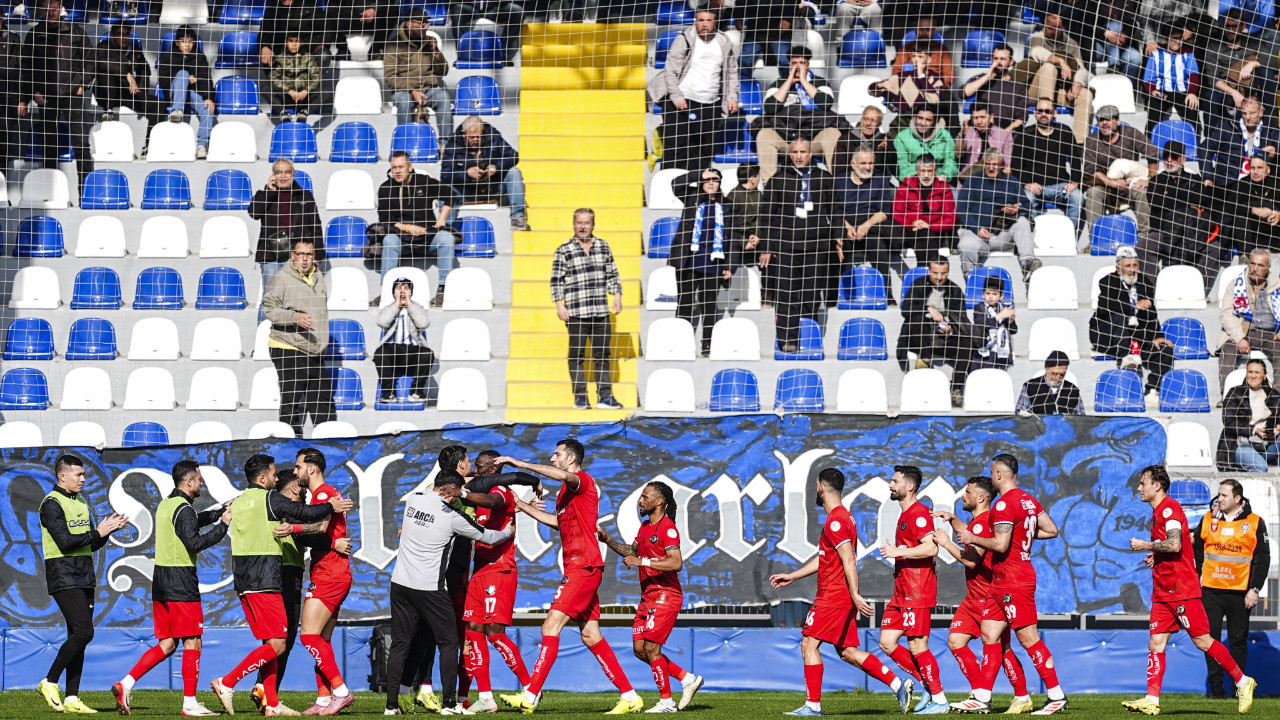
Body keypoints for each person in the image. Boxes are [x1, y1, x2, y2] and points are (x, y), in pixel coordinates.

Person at [496, 439, 643, 714]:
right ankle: (630, 695)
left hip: (583, 567)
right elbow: (558, 522)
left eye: (557, 454)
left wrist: (519, 464)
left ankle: (529, 696)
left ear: (572, 459)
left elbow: (563, 475)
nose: (553, 458)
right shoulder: (565, 493)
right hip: (582, 567)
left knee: (550, 627)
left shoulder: (582, 480)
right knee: (590, 634)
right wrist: (521, 505)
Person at [209, 455, 350, 717]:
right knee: (282, 642)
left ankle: (271, 700)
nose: (276, 479)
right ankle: (230, 683)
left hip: (248, 578)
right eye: (276, 474)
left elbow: (214, 516)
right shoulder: (275, 503)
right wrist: (331, 513)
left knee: (277, 641)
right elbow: (309, 520)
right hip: (272, 578)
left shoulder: (241, 502)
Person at [768, 467, 914, 716]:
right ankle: (899, 684)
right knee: (846, 652)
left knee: (808, 645)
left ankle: (812, 706)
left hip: (833, 595)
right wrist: (792, 576)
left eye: (816, 486)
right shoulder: (842, 517)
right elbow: (828, 558)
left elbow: (848, 559)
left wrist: (855, 593)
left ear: (820, 487)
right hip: (839, 595)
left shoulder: (836, 520)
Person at [1122, 466, 1257, 715]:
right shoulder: (1157, 512)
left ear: (1157, 486)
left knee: (1203, 642)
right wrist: (1155, 554)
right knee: (1156, 643)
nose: (1139, 488)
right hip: (1163, 591)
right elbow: (1175, 544)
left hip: (1182, 589)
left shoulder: (1170, 508)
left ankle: (1242, 681)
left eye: (1143, 483)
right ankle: (1152, 699)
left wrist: (1146, 545)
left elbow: (1174, 544)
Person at [384, 470, 512, 715]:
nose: (456, 498)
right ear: (448, 490)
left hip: (399, 584)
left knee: (400, 644)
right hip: (430, 588)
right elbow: (488, 537)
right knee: (449, 643)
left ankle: (391, 706)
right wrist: (509, 532)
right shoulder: (453, 516)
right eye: (455, 494)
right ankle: (449, 704)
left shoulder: (413, 498)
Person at [951, 454, 1068, 715]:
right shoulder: (1029, 500)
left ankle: (1056, 695)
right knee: (990, 636)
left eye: (992, 472)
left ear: (1000, 474)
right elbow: (1051, 530)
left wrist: (973, 537)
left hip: (1014, 579)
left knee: (1028, 639)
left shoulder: (1004, 505)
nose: (991, 476)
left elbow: (1001, 545)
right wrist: (1020, 532)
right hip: (1002, 580)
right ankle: (982, 697)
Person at [113, 461, 230, 717]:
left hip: (161, 581)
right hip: (181, 582)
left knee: (167, 644)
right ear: (189, 482)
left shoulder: (168, 504)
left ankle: (126, 683)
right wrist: (223, 525)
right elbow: (194, 542)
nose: (201, 483)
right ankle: (189, 703)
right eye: (199, 479)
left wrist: (219, 512)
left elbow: (192, 521)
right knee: (193, 642)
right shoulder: (183, 509)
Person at [597, 482, 706, 713]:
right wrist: (608, 541)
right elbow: (632, 552)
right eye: (641, 497)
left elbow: (676, 563)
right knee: (640, 650)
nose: (640, 501)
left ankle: (666, 702)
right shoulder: (645, 527)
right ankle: (687, 679)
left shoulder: (668, 529)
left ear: (659, 501)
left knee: (652, 648)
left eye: (645, 497)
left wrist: (643, 562)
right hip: (647, 597)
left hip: (666, 596)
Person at [36, 454, 129, 713]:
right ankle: (49, 681)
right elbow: (65, 542)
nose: (83, 479)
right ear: (62, 476)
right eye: (78, 475)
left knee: (78, 636)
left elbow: (92, 542)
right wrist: (97, 532)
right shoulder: (51, 504)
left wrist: (107, 531)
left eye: (84, 474)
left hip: (84, 574)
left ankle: (72, 698)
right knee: (84, 632)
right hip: (63, 574)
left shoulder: (81, 503)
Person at [931, 476, 1032, 714]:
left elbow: (971, 560)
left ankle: (1014, 695)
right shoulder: (982, 521)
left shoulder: (982, 522)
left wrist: (946, 543)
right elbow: (973, 538)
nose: (963, 495)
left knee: (1002, 646)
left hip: (988, 596)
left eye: (967, 492)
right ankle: (981, 693)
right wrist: (955, 520)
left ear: (980, 497)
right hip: (974, 597)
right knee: (957, 642)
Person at [456, 452, 543, 715]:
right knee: (473, 631)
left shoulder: (500, 491)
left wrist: (463, 495)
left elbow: (492, 501)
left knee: (495, 632)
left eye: (482, 465)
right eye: (476, 464)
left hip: (500, 569)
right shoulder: (477, 486)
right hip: (479, 570)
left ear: (495, 467)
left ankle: (530, 690)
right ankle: (485, 697)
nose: (477, 469)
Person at [290, 449, 356, 716]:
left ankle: (341, 692)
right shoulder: (325, 494)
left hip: (329, 572)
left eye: (298, 467)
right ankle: (324, 698)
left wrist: (290, 527)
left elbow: (317, 529)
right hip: (331, 571)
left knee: (308, 636)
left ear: (312, 468)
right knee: (322, 641)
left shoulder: (323, 493)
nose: (295, 472)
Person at [877, 466, 948, 714]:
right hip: (902, 590)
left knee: (918, 645)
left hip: (917, 590)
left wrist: (899, 552)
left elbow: (931, 549)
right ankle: (929, 685)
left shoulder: (918, 514)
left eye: (894, 481)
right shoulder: (906, 514)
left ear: (909, 486)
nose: (890, 485)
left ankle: (940, 700)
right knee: (886, 642)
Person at [1195, 477, 1271, 697]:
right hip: (1210, 591)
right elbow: (1198, 553)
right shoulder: (1208, 519)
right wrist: (1197, 580)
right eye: (1219, 494)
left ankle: (1239, 687)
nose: (1219, 498)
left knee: (1238, 641)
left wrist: (1254, 589)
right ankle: (1216, 688)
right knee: (1211, 640)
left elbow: (1262, 559)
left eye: (1224, 495)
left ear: (1237, 499)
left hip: (1240, 593)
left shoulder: (1255, 522)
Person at [760, 137, 837, 352]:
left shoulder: (824, 177)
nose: (799, 156)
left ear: (810, 154)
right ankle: (788, 338)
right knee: (787, 293)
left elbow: (836, 210)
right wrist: (767, 245)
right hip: (787, 245)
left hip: (817, 245)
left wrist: (838, 236)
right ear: (790, 154)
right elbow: (767, 215)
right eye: (795, 152)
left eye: (803, 152)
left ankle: (809, 335)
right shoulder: (778, 179)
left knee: (811, 293)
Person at [249, 467, 310, 712]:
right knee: (284, 640)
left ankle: (264, 689)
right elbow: (306, 536)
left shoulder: (271, 506)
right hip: (286, 576)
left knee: (275, 640)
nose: (305, 494)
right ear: (295, 487)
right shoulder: (286, 508)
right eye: (302, 488)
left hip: (273, 576)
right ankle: (264, 690)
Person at [647, 6, 738, 170]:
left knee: (703, 151)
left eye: (709, 20)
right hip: (682, 101)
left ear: (715, 22)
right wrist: (676, 97)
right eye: (701, 20)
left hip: (710, 103)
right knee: (675, 149)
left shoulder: (723, 41)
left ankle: (696, 190)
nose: (704, 24)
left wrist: (732, 96)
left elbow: (732, 71)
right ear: (696, 21)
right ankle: (667, 189)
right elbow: (670, 70)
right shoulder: (684, 39)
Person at [19, 0, 96, 192]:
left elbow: (90, 60)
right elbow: (27, 67)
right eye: (46, 9)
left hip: (73, 97)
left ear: (60, 8)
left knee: (81, 146)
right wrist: (33, 92)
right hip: (47, 98)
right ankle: (49, 193)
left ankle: (85, 193)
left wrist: (82, 85)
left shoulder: (75, 32)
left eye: (54, 8)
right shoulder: (35, 34)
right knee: (49, 146)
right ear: (41, 11)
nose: (51, 12)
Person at [550, 209, 624, 410]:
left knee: (602, 354)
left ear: (593, 224)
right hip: (576, 312)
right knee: (577, 355)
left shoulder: (603, 246)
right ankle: (580, 396)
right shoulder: (564, 250)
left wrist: (617, 295)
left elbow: (613, 273)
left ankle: (605, 397)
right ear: (574, 224)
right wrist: (559, 304)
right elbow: (556, 280)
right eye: (579, 222)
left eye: (587, 222)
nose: (583, 226)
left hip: (600, 311)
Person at [263, 238, 335, 437]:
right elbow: (269, 310)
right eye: (300, 254)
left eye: (309, 255)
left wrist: (324, 340)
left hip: (313, 349)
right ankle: (289, 447)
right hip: (287, 346)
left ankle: (327, 445)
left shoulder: (318, 276)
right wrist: (294, 317)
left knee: (323, 400)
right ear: (292, 256)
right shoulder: (280, 278)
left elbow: (322, 312)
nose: (304, 259)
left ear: (314, 257)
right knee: (292, 400)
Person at [1089, 246, 1176, 402]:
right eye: (1128, 266)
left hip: (1137, 338)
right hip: (1111, 338)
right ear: (1118, 268)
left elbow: (1151, 312)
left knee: (1165, 350)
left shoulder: (1145, 282)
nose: (1132, 270)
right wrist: (1133, 306)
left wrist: (1157, 336)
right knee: (1119, 316)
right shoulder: (1108, 281)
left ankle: (1152, 390)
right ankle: (1125, 356)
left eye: (1135, 265)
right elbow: (1106, 307)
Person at [669, 168, 734, 356]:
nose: (711, 183)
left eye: (716, 180)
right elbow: (675, 184)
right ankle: (681, 343)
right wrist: (698, 174)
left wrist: (730, 265)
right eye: (708, 180)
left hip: (713, 264)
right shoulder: (692, 199)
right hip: (688, 262)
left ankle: (707, 344)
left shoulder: (728, 205)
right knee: (684, 303)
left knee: (709, 306)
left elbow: (733, 238)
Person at [250, 158, 324, 322]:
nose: (283, 175)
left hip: (297, 257)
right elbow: (254, 212)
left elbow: (316, 226)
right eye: (278, 172)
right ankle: (262, 343)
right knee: (269, 300)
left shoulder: (305, 195)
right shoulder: (265, 194)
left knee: (296, 301)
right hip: (270, 257)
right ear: (273, 175)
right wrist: (269, 191)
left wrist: (317, 255)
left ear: (293, 174)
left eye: (286, 172)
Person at [374, 151, 458, 297]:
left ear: (410, 167)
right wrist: (408, 228)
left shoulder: (423, 181)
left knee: (446, 238)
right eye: (394, 168)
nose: (397, 171)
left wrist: (441, 219)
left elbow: (450, 193)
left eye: (401, 167)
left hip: (427, 238)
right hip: (402, 240)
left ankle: (444, 289)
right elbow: (386, 220)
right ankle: (387, 291)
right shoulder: (385, 189)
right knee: (389, 240)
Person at [897, 257, 972, 407]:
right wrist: (928, 308)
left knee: (966, 342)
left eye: (943, 273)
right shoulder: (918, 285)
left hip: (944, 336)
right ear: (929, 271)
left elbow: (962, 317)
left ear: (948, 272)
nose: (939, 277)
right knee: (917, 319)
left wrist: (951, 328)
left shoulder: (955, 290)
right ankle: (925, 360)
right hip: (920, 337)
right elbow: (905, 310)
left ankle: (956, 388)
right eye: (935, 273)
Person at [1139, 141, 1216, 287]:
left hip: (1192, 232)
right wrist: (1185, 201)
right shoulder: (1156, 181)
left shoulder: (1195, 179)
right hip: (1163, 232)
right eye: (1166, 155)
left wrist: (1170, 197)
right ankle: (1157, 287)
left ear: (1183, 159)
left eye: (1174, 156)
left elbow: (1201, 199)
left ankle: (1197, 288)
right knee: (1142, 246)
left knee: (1214, 247)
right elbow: (1156, 203)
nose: (1169, 160)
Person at [757, 47, 840, 182]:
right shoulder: (779, 84)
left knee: (833, 134)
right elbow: (770, 107)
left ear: (808, 65)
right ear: (789, 65)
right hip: (787, 138)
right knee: (764, 135)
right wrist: (788, 82)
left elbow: (826, 103)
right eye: (794, 63)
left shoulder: (820, 83)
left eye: (801, 63)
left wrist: (804, 82)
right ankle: (770, 188)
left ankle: (835, 186)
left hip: (813, 139)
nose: (797, 67)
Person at [955, 148, 1038, 279]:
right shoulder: (973, 180)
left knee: (1022, 222)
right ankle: (971, 278)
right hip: (977, 236)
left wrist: (1018, 208)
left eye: (995, 165)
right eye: (988, 164)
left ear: (1002, 165)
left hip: (1002, 234)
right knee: (966, 245)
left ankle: (1028, 264)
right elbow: (961, 207)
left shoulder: (1012, 181)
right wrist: (977, 229)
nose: (991, 168)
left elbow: (1027, 205)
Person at [1083, 104, 1157, 248]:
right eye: (1101, 119)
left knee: (1141, 191)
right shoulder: (1091, 141)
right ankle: (1095, 239)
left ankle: (1144, 237)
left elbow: (1153, 152)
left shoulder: (1130, 133)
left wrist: (1150, 180)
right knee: (1093, 193)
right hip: (1105, 185)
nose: (1104, 123)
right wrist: (1113, 183)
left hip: (1129, 183)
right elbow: (1091, 169)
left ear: (1117, 120)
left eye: (1109, 119)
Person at [1012, 14, 1093, 143]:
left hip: (1057, 91)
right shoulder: (1036, 38)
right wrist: (1060, 61)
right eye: (1051, 28)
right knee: (1049, 67)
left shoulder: (1071, 43)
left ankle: (1079, 146)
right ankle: (1045, 127)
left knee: (1086, 95)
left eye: (1058, 28)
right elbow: (1037, 52)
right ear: (1044, 27)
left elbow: (1081, 68)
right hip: (1034, 92)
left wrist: (1077, 83)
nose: (1055, 31)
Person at [441, 116, 528, 231]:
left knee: (514, 172)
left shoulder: (493, 136)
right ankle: (446, 227)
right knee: (445, 188)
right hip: (465, 191)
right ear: (463, 134)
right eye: (471, 137)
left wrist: (496, 167)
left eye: (479, 136)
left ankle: (517, 217)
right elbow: (445, 175)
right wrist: (466, 174)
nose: (475, 140)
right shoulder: (453, 144)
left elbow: (513, 156)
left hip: (492, 187)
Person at [1012, 97, 1083, 232]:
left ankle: (1069, 239)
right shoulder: (1025, 134)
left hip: (1060, 187)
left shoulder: (1065, 132)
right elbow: (1016, 164)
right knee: (1026, 198)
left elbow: (1075, 159)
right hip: (1034, 187)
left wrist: (1074, 182)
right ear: (1035, 113)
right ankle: (1030, 239)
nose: (1043, 114)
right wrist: (1027, 184)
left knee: (1077, 197)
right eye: (1040, 111)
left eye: (1047, 111)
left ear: (1055, 113)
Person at [835, 146, 896, 295]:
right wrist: (847, 227)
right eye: (863, 163)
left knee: (879, 247)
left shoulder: (880, 180)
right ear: (852, 164)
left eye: (871, 163)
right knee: (837, 248)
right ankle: (834, 296)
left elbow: (885, 211)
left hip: (871, 224)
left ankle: (885, 294)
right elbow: (833, 209)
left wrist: (866, 225)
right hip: (845, 222)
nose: (868, 167)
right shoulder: (839, 181)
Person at [1201, 9, 1278, 125]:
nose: (1230, 30)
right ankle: (1211, 138)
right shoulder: (1214, 45)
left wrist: (1252, 64)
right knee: (1211, 96)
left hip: (1253, 86)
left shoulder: (1253, 42)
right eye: (1227, 26)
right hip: (1227, 87)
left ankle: (1270, 130)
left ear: (1243, 26)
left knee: (1266, 73)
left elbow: (1273, 64)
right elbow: (1213, 78)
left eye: (1235, 26)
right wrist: (1233, 92)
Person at [1217, 249, 1280, 389]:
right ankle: (1228, 396)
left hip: (1270, 334)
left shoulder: (1277, 287)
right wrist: (1239, 338)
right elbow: (1226, 314)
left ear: (1268, 268)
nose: (1255, 269)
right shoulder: (1235, 284)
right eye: (1252, 264)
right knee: (1227, 349)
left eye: (1260, 265)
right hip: (1243, 331)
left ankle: (1276, 398)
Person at [384, 9, 452, 133]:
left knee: (444, 97)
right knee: (404, 101)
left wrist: (435, 51)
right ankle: (403, 143)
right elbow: (390, 77)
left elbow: (443, 72)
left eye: (427, 23)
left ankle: (445, 145)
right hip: (403, 90)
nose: (425, 26)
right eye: (421, 23)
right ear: (409, 24)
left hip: (428, 89)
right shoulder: (393, 45)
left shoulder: (429, 42)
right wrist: (412, 90)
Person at [372, 276, 434, 403]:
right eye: (399, 288)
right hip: (392, 350)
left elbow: (423, 323)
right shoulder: (389, 308)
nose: (402, 291)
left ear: (411, 292)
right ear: (393, 292)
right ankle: (388, 394)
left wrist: (409, 305)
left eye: (406, 288)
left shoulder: (417, 307)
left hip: (413, 350)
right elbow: (382, 322)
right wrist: (397, 305)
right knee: (380, 353)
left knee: (427, 354)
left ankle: (416, 392)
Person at [158, 25, 216, 160]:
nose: (188, 45)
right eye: (184, 41)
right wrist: (183, 77)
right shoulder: (168, 56)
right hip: (174, 93)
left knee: (208, 109)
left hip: (192, 93)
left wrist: (208, 97)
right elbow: (163, 80)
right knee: (183, 74)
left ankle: (201, 146)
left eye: (190, 41)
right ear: (177, 42)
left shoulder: (199, 57)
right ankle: (177, 111)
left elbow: (206, 78)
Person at [93, 23, 162, 131]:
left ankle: (150, 143)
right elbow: (103, 63)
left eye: (126, 34)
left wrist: (141, 91)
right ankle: (108, 111)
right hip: (106, 93)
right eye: (120, 34)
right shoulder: (103, 47)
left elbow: (144, 70)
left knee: (158, 104)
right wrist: (127, 74)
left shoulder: (134, 49)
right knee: (107, 74)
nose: (123, 37)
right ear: (112, 36)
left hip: (127, 92)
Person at [1202, 97, 1280, 190]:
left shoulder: (1270, 129)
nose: (1247, 117)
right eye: (1244, 113)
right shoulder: (1227, 126)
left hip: (1260, 185)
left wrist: (1276, 153)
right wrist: (1208, 176)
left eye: (1252, 113)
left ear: (1261, 112)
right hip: (1228, 184)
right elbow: (1205, 148)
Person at [891, 155, 957, 265]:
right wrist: (912, 223)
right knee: (925, 236)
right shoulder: (906, 186)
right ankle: (930, 273)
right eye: (923, 171)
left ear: (935, 171)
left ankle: (922, 275)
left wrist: (930, 226)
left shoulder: (944, 188)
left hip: (935, 234)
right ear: (917, 171)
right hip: (910, 233)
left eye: (929, 171)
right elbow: (896, 214)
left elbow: (950, 219)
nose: (926, 175)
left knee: (926, 235)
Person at [1216, 359, 1280, 471]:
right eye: (1250, 372)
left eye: (1257, 372)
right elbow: (1228, 421)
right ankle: (1254, 460)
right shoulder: (1235, 393)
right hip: (1240, 444)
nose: (1253, 376)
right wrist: (1254, 430)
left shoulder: (1273, 395)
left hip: (1265, 444)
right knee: (1260, 467)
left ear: (1264, 376)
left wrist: (1278, 427)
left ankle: (1256, 457)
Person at [1142, 22, 1201, 134]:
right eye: (1174, 39)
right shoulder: (1156, 54)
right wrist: (1152, 90)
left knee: (1193, 115)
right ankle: (1150, 145)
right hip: (1162, 92)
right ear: (1165, 39)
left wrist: (1192, 93)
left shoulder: (1188, 53)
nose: (1178, 42)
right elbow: (1148, 77)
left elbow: (1194, 75)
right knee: (1153, 118)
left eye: (1180, 38)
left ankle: (1193, 145)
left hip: (1182, 92)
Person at [1220, 152, 1280, 254]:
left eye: (1259, 168)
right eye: (1252, 168)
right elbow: (1230, 206)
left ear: (1268, 169)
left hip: (1272, 233)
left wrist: (1279, 214)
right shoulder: (1242, 183)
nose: (1255, 172)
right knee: (1240, 217)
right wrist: (1254, 210)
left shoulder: (1277, 184)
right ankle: (1245, 257)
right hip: (1249, 235)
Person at [871, 42, 944, 122]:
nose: (916, 60)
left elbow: (934, 101)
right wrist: (880, 85)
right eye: (914, 56)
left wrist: (921, 77)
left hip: (928, 124)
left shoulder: (936, 78)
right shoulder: (902, 77)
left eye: (920, 57)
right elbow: (872, 91)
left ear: (928, 59)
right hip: (905, 123)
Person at [962, 43, 1026, 132]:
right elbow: (963, 93)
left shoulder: (1019, 87)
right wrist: (988, 76)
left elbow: (1021, 119)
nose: (998, 62)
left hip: (1005, 128)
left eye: (1003, 59)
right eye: (995, 58)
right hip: (981, 127)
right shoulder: (983, 78)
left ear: (1011, 62)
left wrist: (1004, 134)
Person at [893, 105, 958, 183]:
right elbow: (902, 166)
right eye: (920, 118)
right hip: (912, 182)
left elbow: (950, 161)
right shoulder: (902, 137)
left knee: (955, 194)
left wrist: (945, 175)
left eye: (928, 120)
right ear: (915, 118)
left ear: (935, 122)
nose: (923, 123)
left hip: (938, 181)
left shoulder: (945, 136)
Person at [269, 32, 322, 122]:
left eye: (297, 41)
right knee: (265, 88)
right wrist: (288, 90)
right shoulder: (280, 58)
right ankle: (283, 113)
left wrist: (307, 90)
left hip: (304, 96)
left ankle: (305, 112)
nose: (294, 44)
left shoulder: (308, 58)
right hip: (287, 95)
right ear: (286, 43)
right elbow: (274, 78)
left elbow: (316, 77)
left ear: (301, 43)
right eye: (291, 41)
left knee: (327, 92)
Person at [260, 0, 328, 68]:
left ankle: (311, 78)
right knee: (266, 54)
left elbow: (326, 25)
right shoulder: (272, 9)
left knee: (324, 54)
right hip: (282, 53)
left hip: (308, 52)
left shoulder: (310, 5)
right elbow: (265, 31)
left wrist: (323, 43)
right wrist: (265, 46)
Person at [1015, 351, 1084, 415]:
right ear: (1046, 368)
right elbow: (1019, 414)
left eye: (1062, 374)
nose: (1057, 378)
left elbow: (1081, 419)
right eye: (1054, 373)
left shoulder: (1073, 391)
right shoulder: (1030, 387)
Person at [955, 103, 1013, 181]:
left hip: (994, 181)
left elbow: (1007, 167)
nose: (979, 122)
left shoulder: (1004, 135)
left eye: (983, 117)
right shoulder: (967, 132)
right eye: (975, 118)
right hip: (968, 181)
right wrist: (961, 136)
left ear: (991, 117)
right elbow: (958, 154)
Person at [451, 1, 524, 60]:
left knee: (518, 11)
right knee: (457, 9)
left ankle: (501, 52)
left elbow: (504, 3)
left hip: (494, 8)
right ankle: (463, 51)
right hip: (471, 8)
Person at [328, 0, 394, 60]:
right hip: (350, 15)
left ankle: (376, 50)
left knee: (393, 9)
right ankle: (343, 50)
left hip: (375, 16)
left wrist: (374, 8)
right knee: (331, 9)